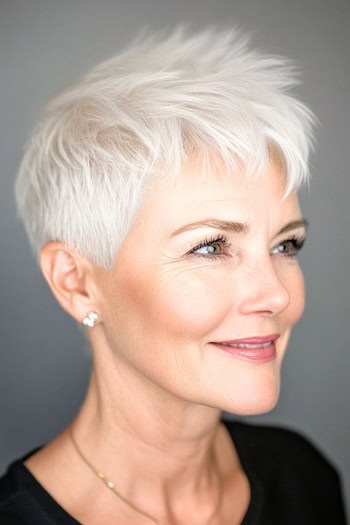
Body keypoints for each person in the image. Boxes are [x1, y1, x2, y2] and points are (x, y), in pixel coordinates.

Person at [0, 26, 347, 524]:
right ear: (76, 281)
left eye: (285, 244)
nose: (275, 293)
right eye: (210, 247)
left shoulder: (304, 479)